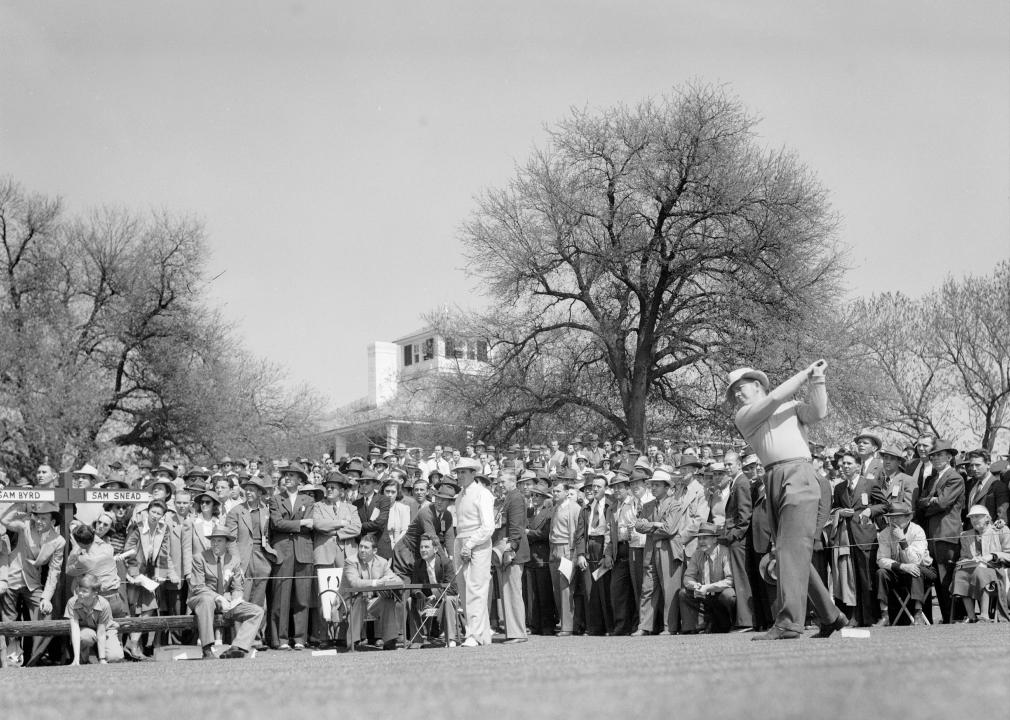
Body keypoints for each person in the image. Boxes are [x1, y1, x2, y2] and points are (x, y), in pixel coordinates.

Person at [728, 361, 846, 640]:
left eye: (739, 388)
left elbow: (818, 412)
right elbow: (775, 398)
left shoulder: (790, 405)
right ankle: (830, 616)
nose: (736, 395)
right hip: (773, 478)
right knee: (788, 553)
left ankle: (789, 622)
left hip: (798, 473)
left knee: (790, 551)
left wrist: (817, 378)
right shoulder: (745, 414)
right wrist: (805, 373)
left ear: (757, 384)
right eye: (732, 391)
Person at [0, 501, 67, 665]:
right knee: (9, 620)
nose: (39, 521)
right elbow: (4, 520)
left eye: (44, 518)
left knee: (46, 615)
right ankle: (13, 657)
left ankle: (33, 661)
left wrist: (46, 597)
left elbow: (54, 571)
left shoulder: (59, 541)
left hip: (33, 583)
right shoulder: (25, 525)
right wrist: (19, 501)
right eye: (37, 517)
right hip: (11, 579)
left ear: (52, 522)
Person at [187, 525, 264, 659]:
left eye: (219, 541)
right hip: (201, 599)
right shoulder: (199, 558)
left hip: (225, 602)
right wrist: (218, 597)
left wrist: (235, 600)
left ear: (227, 543)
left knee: (257, 611)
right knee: (206, 600)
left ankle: (237, 647)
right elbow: (198, 587)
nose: (215, 543)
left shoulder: (233, 560)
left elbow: (237, 587)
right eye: (213, 540)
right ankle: (207, 649)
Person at [268, 462, 316, 650]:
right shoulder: (275, 499)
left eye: (292, 475)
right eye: (285, 475)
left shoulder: (308, 500)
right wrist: (301, 522)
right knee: (281, 597)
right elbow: (277, 523)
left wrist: (299, 523)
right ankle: (280, 639)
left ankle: (299, 639)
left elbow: (311, 524)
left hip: (303, 551)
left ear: (300, 481)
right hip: (283, 551)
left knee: (302, 598)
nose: (287, 478)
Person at [916, 440, 964, 623]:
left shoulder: (955, 477)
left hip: (946, 533)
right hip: (932, 533)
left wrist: (929, 502)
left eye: (939, 454)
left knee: (947, 578)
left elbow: (943, 503)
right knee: (937, 578)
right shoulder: (931, 479)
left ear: (950, 457)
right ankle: (946, 618)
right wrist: (931, 500)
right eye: (933, 455)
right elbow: (920, 503)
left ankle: (954, 618)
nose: (935, 458)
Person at [829, 450, 878, 626]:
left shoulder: (870, 484)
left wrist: (869, 510)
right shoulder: (839, 487)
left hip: (865, 537)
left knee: (867, 579)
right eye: (843, 464)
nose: (845, 467)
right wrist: (840, 512)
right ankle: (854, 617)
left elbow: (884, 505)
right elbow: (834, 509)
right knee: (851, 579)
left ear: (858, 466)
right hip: (846, 539)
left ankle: (870, 617)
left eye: (849, 463)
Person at [453, 456, 496, 647]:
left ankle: (476, 635)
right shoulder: (459, 496)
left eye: (464, 472)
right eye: (458, 472)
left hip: (477, 543)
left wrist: (470, 544)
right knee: (464, 590)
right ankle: (479, 633)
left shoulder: (483, 493)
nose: (460, 475)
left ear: (473, 473)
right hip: (461, 540)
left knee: (476, 588)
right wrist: (461, 545)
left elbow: (488, 527)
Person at [873, 501, 933, 626]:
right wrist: (901, 566)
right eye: (890, 517)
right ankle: (884, 615)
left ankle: (918, 614)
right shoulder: (884, 533)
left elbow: (915, 560)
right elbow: (881, 559)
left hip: (923, 569)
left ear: (909, 517)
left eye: (897, 517)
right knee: (881, 573)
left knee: (915, 569)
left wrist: (902, 540)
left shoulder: (917, 531)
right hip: (899, 570)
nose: (893, 520)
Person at [342, 534, 404, 651]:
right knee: (359, 599)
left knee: (388, 601)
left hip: (370, 602)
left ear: (374, 550)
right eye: (361, 547)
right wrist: (377, 583)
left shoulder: (382, 562)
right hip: (349, 602)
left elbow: (398, 580)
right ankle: (353, 644)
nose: (362, 550)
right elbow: (355, 583)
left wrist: (388, 582)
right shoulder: (351, 561)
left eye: (366, 547)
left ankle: (390, 642)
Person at [952, 505, 1010, 623]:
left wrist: (992, 556)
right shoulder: (965, 535)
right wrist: (965, 561)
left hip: (996, 569)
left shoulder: (1001, 530)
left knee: (980, 571)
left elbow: (1008, 554)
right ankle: (971, 617)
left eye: (977, 517)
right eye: (972, 517)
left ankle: (984, 615)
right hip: (973, 569)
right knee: (960, 573)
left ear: (987, 518)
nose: (974, 520)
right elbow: (964, 556)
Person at [677, 522, 736, 634]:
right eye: (699, 539)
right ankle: (693, 627)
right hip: (706, 595)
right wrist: (695, 585)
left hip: (720, 595)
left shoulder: (725, 552)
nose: (701, 542)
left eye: (705, 538)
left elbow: (730, 580)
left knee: (729, 595)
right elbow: (687, 577)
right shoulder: (697, 554)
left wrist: (708, 587)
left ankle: (734, 623)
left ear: (714, 540)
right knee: (684, 593)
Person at [717, 451, 752, 630]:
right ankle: (743, 619)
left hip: (739, 540)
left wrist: (733, 535)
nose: (727, 467)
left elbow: (745, 516)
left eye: (730, 464)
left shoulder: (741, 483)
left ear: (739, 464)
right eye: (725, 464)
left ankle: (746, 620)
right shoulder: (735, 482)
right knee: (737, 579)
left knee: (741, 579)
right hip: (734, 539)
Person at [494, 469, 530, 644]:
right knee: (507, 592)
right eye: (499, 482)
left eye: (503, 482)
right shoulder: (506, 498)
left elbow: (516, 527)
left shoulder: (515, 498)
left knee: (513, 592)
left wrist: (511, 549)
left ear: (513, 482)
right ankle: (513, 631)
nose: (500, 485)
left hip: (512, 551)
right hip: (504, 549)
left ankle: (518, 633)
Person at [574, 472, 612, 636]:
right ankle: (594, 627)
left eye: (598, 486)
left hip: (604, 546)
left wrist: (608, 553)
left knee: (604, 588)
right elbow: (580, 533)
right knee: (589, 589)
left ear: (606, 488)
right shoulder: (586, 507)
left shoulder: (611, 505)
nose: (595, 489)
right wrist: (581, 554)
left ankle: (609, 627)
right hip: (589, 548)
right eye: (593, 486)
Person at [408, 534, 459, 647]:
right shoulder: (418, 564)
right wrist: (420, 595)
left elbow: (453, 588)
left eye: (426, 547)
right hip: (427, 600)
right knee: (410, 601)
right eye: (421, 547)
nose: (423, 550)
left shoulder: (446, 562)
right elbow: (414, 586)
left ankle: (450, 639)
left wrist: (436, 596)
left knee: (448, 599)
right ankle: (417, 639)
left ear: (435, 549)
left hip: (445, 598)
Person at [65, 524, 128, 617]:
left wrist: (75, 549)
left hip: (100, 602)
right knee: (113, 630)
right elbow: (96, 539)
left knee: (98, 630)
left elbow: (68, 570)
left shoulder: (84, 560)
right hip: (116, 599)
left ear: (79, 543)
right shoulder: (109, 548)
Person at [548, 470, 581, 636]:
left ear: (567, 492)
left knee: (566, 589)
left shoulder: (574, 508)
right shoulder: (555, 508)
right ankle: (563, 622)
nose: (555, 493)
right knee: (556, 589)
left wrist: (572, 553)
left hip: (566, 549)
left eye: (558, 491)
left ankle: (569, 626)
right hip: (553, 549)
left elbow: (577, 533)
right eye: (553, 491)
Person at [66, 573, 124, 665]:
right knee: (85, 637)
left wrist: (102, 659)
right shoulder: (72, 602)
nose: (80, 593)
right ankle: (82, 658)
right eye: (79, 590)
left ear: (94, 594)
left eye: (84, 591)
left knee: (115, 657)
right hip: (86, 631)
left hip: (105, 630)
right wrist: (75, 659)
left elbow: (101, 633)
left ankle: (101, 653)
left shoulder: (104, 604)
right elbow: (75, 630)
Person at [524, 479, 556, 635]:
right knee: (532, 594)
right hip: (531, 556)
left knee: (544, 594)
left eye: (537, 495)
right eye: (532, 495)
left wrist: (528, 533)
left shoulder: (548, 512)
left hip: (542, 556)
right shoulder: (530, 511)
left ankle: (547, 626)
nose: (534, 498)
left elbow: (545, 534)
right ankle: (534, 624)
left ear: (544, 498)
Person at [383, 479, 411, 549]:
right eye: (387, 491)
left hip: (396, 545)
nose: (390, 495)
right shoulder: (377, 507)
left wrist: (395, 545)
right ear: (383, 492)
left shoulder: (403, 508)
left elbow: (405, 531)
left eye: (393, 492)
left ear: (397, 493)